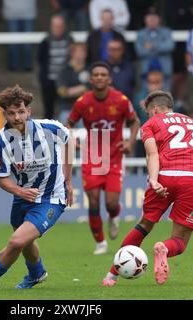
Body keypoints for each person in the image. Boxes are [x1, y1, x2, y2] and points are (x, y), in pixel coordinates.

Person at [102, 90, 193, 287]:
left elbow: (152, 153)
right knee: (180, 242)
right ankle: (164, 248)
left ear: (155, 109)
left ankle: (111, 276)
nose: (148, 116)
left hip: (165, 176)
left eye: (148, 112)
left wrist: (154, 180)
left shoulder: (151, 124)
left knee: (145, 224)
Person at [0, 85, 73, 292]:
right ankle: (37, 273)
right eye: (11, 113)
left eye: (21, 111)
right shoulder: (2, 140)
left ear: (29, 111)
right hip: (23, 197)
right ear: (4, 114)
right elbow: (2, 179)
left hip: (51, 197)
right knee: (25, 241)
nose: (17, 117)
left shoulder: (50, 129)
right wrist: (20, 192)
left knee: (16, 242)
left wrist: (67, 181)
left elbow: (69, 141)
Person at [66, 61, 140, 255]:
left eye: (103, 74)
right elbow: (69, 123)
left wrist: (130, 142)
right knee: (93, 201)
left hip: (114, 155)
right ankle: (100, 243)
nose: (99, 77)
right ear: (91, 79)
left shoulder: (121, 100)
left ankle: (114, 215)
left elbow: (135, 122)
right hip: (92, 155)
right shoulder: (83, 102)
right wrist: (71, 138)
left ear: (109, 79)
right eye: (96, 74)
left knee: (111, 203)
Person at [37, 14, 73, 119]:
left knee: (66, 110)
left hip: (65, 81)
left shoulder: (70, 40)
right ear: (51, 27)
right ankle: (47, 134)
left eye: (60, 26)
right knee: (48, 110)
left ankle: (65, 134)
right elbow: (40, 60)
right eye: (55, 26)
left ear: (64, 26)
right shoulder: (45, 41)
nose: (58, 29)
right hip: (49, 81)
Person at [134, 8, 174, 91]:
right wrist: (160, 48)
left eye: (154, 18)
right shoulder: (141, 34)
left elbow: (170, 46)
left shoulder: (166, 32)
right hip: (146, 73)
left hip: (164, 73)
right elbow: (140, 51)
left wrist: (153, 46)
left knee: (165, 98)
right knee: (147, 98)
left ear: (159, 19)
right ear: (145, 19)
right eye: (149, 18)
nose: (152, 20)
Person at [56, 42, 89, 125]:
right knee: (66, 135)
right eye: (77, 52)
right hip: (67, 109)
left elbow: (92, 92)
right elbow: (62, 92)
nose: (80, 55)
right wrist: (82, 88)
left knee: (92, 133)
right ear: (72, 54)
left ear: (86, 54)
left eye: (82, 52)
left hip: (86, 110)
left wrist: (71, 91)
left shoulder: (91, 70)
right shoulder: (64, 71)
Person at [2, 0, 37, 72]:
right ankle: (13, 66)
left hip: (28, 13)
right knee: (13, 43)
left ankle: (27, 66)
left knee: (27, 43)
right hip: (11, 13)